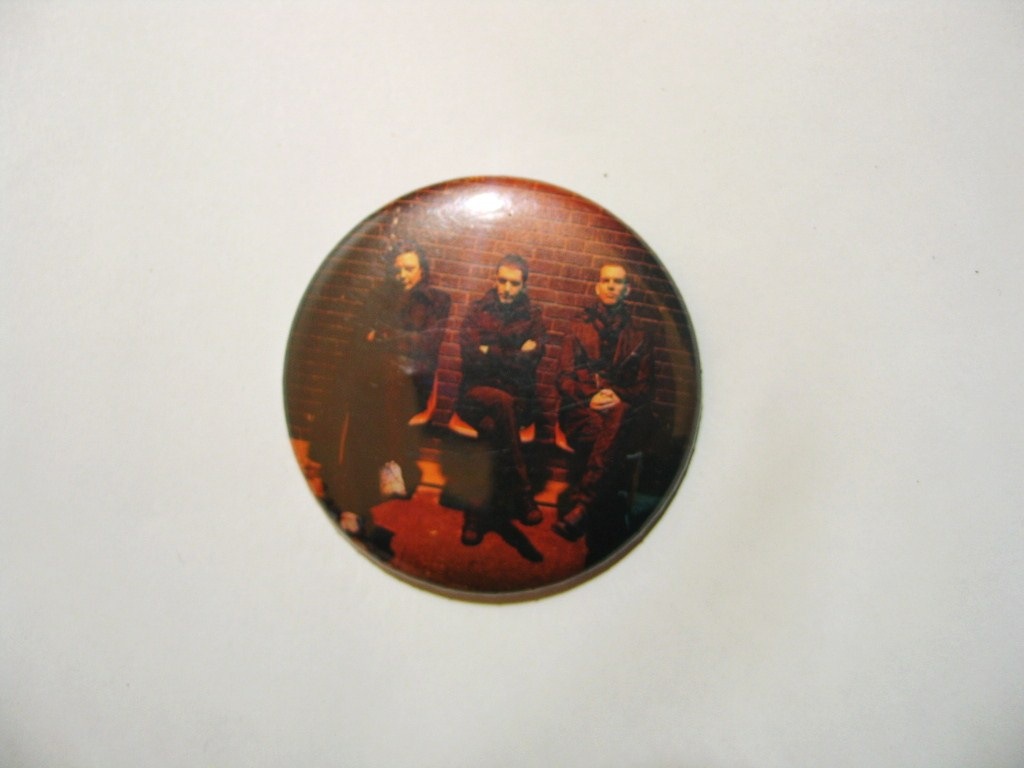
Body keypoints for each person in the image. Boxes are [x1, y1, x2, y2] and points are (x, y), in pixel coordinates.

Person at [311, 242, 451, 557]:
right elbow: (361, 335)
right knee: (361, 419)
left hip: (413, 381)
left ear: (422, 271)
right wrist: (397, 340)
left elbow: (427, 344)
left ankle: (369, 485)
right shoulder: (378, 296)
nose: (402, 274)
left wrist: (385, 336)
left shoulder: (438, 300)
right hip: (375, 380)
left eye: (409, 268)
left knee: (373, 402)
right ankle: (373, 482)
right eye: (398, 268)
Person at [552, 262, 653, 543]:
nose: (611, 286)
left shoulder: (640, 334)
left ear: (626, 290)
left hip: (620, 413)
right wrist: (590, 396)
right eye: (606, 281)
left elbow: (645, 386)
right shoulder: (577, 326)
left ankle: (584, 505)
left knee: (618, 414)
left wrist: (617, 394)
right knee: (613, 436)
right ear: (597, 287)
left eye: (617, 282)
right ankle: (596, 509)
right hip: (581, 413)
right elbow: (563, 378)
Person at [454, 254, 547, 545]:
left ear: (524, 285)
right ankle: (523, 492)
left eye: (514, 283)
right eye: (502, 281)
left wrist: (489, 351)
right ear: (494, 280)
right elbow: (469, 356)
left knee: (493, 425)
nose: (507, 288)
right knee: (499, 402)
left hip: (515, 398)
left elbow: (532, 361)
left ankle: (474, 513)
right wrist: (514, 353)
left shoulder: (533, 316)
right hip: (475, 394)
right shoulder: (477, 310)